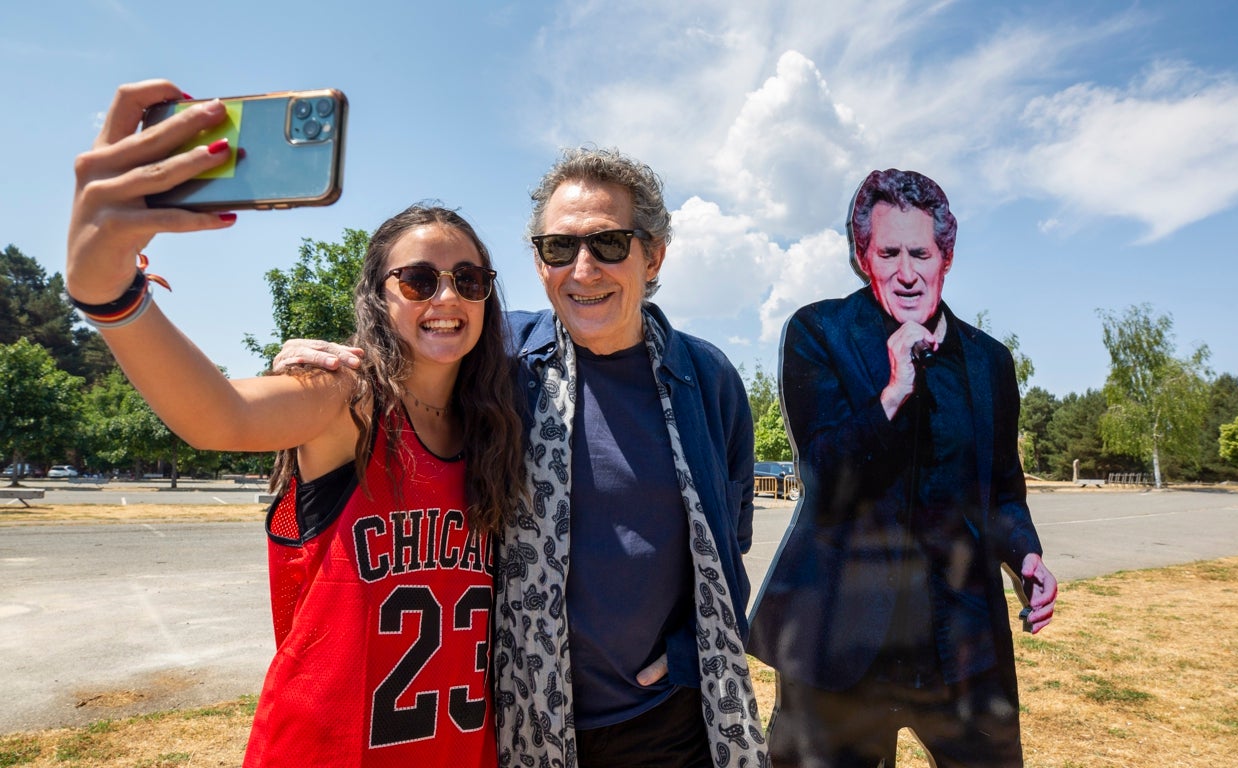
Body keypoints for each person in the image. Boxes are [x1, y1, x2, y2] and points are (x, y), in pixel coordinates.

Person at [65, 80, 525, 767]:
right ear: (378, 294)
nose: (448, 296)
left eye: (469, 279)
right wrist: (108, 293)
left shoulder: (499, 427)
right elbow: (217, 415)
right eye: (420, 280)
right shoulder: (345, 398)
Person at [275, 148, 767, 768]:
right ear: (538, 262)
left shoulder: (708, 378)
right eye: (559, 248)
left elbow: (731, 539)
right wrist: (322, 362)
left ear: (655, 254)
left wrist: (689, 656)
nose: (584, 270)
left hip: (665, 723)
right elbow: (414, 347)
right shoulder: (499, 361)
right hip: (518, 716)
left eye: (610, 244)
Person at [747, 169, 1058, 767]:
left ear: (946, 257)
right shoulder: (819, 333)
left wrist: (1024, 554)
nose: (907, 272)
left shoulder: (990, 361)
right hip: (842, 645)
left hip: (962, 643)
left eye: (922, 252)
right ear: (864, 257)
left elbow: (1001, 495)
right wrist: (892, 393)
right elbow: (825, 481)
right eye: (889, 253)